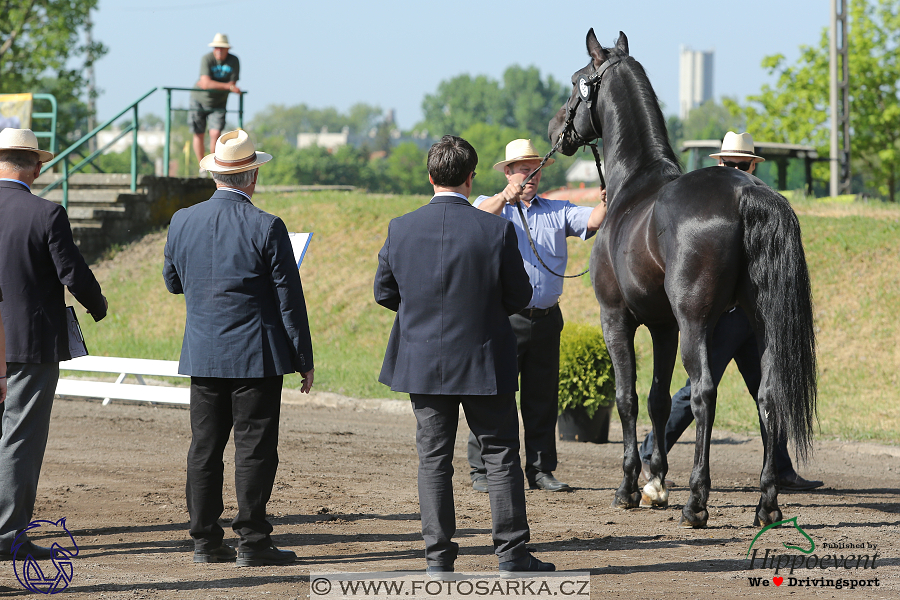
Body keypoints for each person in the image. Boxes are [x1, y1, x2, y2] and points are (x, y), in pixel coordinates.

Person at [374, 135, 553, 573]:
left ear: (431, 176)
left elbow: (384, 291)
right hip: (483, 357)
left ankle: (438, 558)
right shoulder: (496, 229)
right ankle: (511, 554)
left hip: (422, 360)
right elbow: (519, 293)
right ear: (471, 179)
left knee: (433, 460)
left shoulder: (401, 227)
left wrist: (421, 311)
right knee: (500, 454)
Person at [638, 131, 823, 492]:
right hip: (730, 319)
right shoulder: (732, 201)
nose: (737, 168)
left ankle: (780, 466)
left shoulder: (758, 205)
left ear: (745, 164)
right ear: (728, 163)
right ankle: (650, 449)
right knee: (701, 387)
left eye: (741, 164)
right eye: (734, 163)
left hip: (746, 319)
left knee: (765, 389)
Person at [164, 129, 315, 567]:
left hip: (204, 352)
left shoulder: (182, 220)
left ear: (215, 175)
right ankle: (251, 540)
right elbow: (290, 300)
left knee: (204, 448)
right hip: (257, 354)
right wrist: (302, 358)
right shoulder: (267, 225)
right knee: (254, 448)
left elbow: (174, 282)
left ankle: (204, 540)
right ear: (251, 176)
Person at [467, 139, 607, 493]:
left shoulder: (557, 209)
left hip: (546, 318)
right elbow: (474, 220)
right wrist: (506, 197)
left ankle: (541, 469)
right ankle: (483, 469)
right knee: (493, 395)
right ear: (508, 173)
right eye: (522, 169)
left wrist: (608, 202)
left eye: (535, 168)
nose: (530, 175)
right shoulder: (490, 204)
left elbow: (591, 219)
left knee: (542, 399)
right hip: (503, 318)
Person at [0, 128, 108, 558]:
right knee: (20, 438)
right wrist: (97, 304)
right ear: (38, 166)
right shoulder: (46, 213)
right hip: (30, 345)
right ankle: (9, 535)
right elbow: (73, 273)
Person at [190, 33, 241, 172]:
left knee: (215, 133)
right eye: (216, 48)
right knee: (198, 132)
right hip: (198, 99)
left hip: (219, 102)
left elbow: (231, 82)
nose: (218, 50)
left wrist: (213, 84)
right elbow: (205, 84)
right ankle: (202, 166)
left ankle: (212, 164)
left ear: (227, 49)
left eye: (221, 48)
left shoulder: (234, 61)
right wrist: (228, 87)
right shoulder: (206, 59)